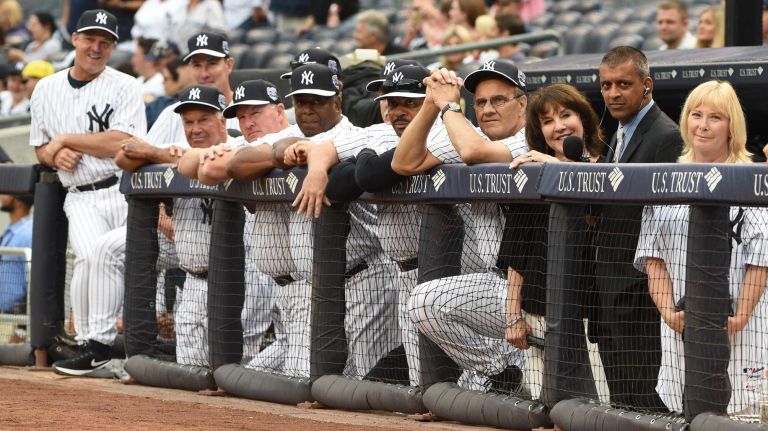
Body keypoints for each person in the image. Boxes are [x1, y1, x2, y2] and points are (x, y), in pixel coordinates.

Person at [228, 63, 400, 380]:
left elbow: (332, 153)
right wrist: (280, 155)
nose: (307, 109)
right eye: (301, 101)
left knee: (370, 383)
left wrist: (317, 166)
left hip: (363, 278)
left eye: (317, 101)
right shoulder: (292, 138)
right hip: (317, 288)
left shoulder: (353, 136)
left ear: (337, 100)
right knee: (320, 383)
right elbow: (235, 164)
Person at [285, 64, 432, 386]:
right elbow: (326, 150)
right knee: (416, 384)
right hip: (403, 272)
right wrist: (317, 171)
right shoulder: (380, 132)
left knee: (467, 385)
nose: (398, 112)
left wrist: (360, 161)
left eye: (410, 103)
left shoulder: (440, 133)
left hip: (451, 273)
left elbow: (373, 174)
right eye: (392, 103)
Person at [635, 80, 767, 415]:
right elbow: (653, 261)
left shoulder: (752, 178)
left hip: (744, 333)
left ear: (731, 127)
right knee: (685, 412)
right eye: (696, 114)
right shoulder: (664, 179)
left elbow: (761, 262)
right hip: (681, 327)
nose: (703, 125)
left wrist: (738, 317)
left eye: (715, 117)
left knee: (743, 415)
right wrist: (668, 313)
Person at [399, 59, 529, 393]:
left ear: (522, 103)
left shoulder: (531, 137)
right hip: (498, 285)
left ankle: (510, 372)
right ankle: (500, 370)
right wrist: (431, 103)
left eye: (499, 100)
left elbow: (473, 152)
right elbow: (405, 162)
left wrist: (449, 106)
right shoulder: (469, 132)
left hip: (540, 290)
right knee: (424, 302)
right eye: (481, 102)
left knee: (545, 396)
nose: (487, 109)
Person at [29, 9, 146, 376]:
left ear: (112, 46)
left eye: (105, 42)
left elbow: (123, 142)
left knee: (114, 261)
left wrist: (65, 139)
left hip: (121, 189)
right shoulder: (46, 88)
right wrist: (53, 152)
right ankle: (93, 344)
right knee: (89, 257)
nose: (96, 48)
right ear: (75, 38)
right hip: (79, 192)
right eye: (90, 39)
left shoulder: (125, 84)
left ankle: (100, 346)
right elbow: (39, 148)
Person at [594, 46, 683, 410]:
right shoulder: (617, 132)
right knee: (620, 406)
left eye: (623, 84)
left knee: (646, 403)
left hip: (641, 296)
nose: (613, 93)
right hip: (609, 291)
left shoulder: (667, 136)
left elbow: (663, 225)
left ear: (646, 85)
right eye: (605, 85)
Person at [503, 83, 604, 400]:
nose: (559, 126)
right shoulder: (533, 172)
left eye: (565, 115)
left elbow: (596, 212)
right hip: (538, 313)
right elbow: (517, 252)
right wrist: (513, 315)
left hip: (591, 316)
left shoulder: (611, 164)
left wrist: (559, 168)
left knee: (595, 405)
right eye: (548, 121)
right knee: (543, 406)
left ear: (583, 117)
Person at [166, 85, 233, 366]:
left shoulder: (240, 152)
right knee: (190, 369)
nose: (195, 129)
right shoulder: (176, 156)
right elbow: (126, 157)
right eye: (188, 122)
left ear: (222, 120)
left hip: (237, 281)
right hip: (193, 280)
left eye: (203, 120)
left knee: (236, 368)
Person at [0, 193, 33, 314]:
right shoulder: (13, 230)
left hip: (17, 317)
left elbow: (35, 283)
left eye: (6, 193)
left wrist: (21, 329)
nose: (1, 196)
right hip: (5, 316)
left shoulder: (29, 233)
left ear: (19, 202)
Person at [145, 55, 192, 128]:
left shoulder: (159, 105)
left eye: (166, 79)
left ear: (179, 76)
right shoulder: (157, 104)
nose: (163, 83)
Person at [131, 37, 173, 102]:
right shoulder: (137, 81)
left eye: (136, 55)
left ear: (149, 60)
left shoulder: (163, 81)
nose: (133, 60)